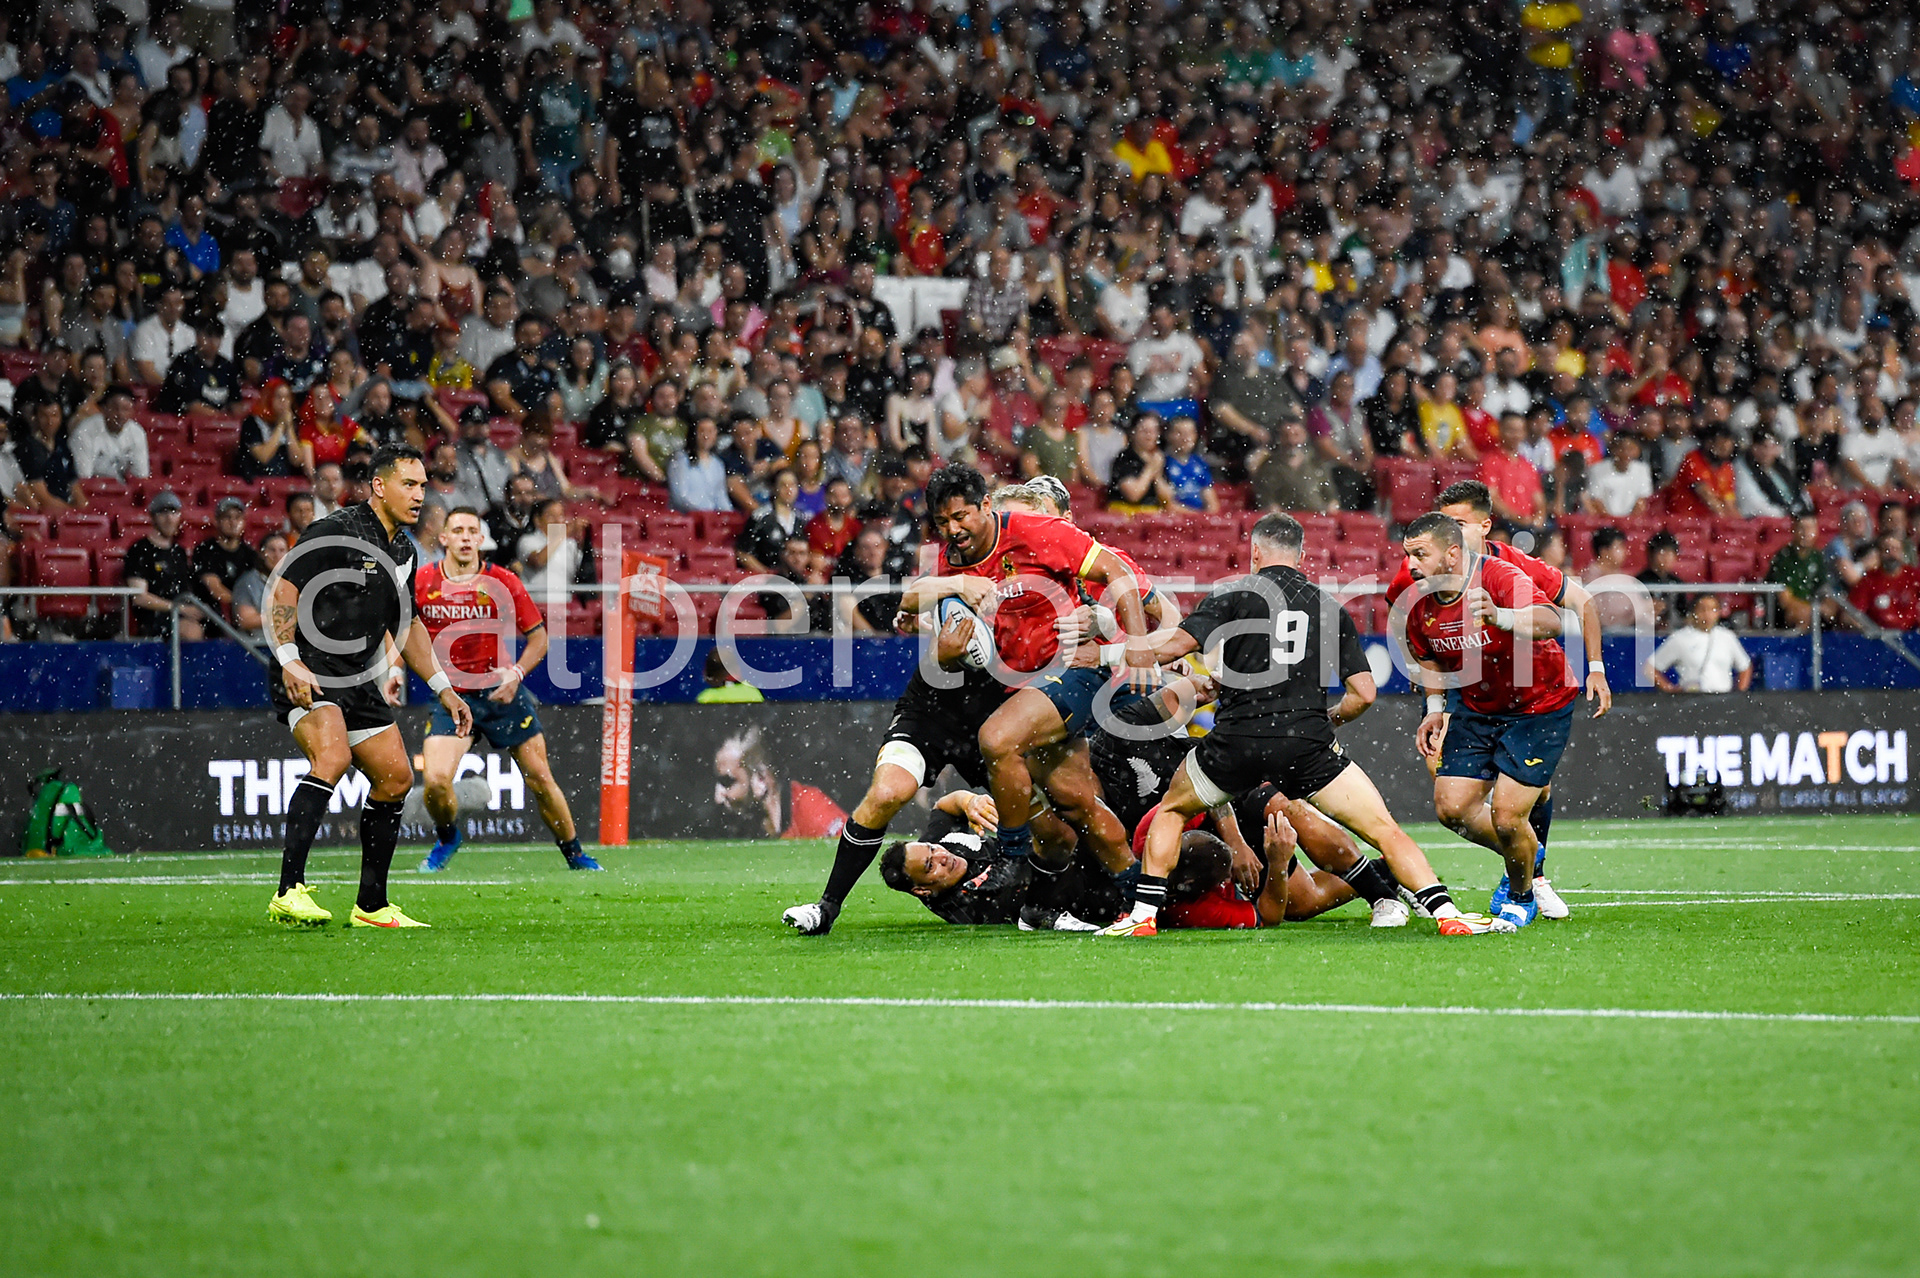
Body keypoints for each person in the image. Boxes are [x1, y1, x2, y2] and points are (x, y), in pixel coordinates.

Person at [1099, 513, 1481, 937]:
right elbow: (1364, 693)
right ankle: (1448, 914)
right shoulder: (1328, 605)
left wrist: (1114, 653)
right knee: (1385, 830)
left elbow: (1176, 645)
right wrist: (1327, 719)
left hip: (1237, 741)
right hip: (1305, 742)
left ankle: (1142, 916)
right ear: (1300, 557)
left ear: (1255, 553)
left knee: (1172, 810)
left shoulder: (1232, 593)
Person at [901, 464, 1149, 897]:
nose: (952, 529)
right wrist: (941, 601)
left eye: (960, 517)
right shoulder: (953, 559)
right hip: (1022, 687)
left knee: (996, 738)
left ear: (985, 505)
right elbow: (911, 599)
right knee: (1075, 802)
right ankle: (1140, 895)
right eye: (942, 522)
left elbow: (1117, 571)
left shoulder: (1038, 532)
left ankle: (1012, 859)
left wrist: (1141, 643)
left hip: (1075, 669)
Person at [262, 444, 474, 929]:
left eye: (423, 486)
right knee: (332, 758)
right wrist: (290, 660)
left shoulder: (404, 550)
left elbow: (408, 624)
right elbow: (284, 589)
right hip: (309, 666)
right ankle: (288, 892)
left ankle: (372, 906)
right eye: (409, 484)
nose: (419, 495)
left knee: (396, 778)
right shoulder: (335, 530)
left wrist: (443, 688)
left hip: (356, 677)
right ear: (379, 486)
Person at [1399, 513, 1579, 931]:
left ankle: (1521, 895)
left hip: (1538, 705)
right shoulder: (1417, 604)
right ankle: (1526, 853)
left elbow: (1552, 619)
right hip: (1478, 707)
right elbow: (1428, 656)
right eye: (1408, 555)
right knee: (1451, 808)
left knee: (1507, 816)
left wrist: (1502, 616)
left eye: (1420, 554)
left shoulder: (1498, 576)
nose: (1411, 564)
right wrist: (1434, 708)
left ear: (1452, 554)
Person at [414, 506, 600, 873]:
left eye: (472, 531)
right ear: (444, 538)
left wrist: (515, 674)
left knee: (541, 779)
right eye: (458, 530)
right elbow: (403, 630)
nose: (466, 537)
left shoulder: (503, 581)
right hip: (452, 696)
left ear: (480, 539)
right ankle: (448, 836)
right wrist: (393, 669)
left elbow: (539, 639)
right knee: (435, 782)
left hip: (502, 692)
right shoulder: (422, 581)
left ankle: (575, 854)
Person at [876, 788, 1120, 931]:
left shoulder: (932, 848)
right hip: (1087, 888)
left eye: (932, 848)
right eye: (930, 866)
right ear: (922, 891)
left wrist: (969, 802)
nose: (942, 856)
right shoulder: (969, 905)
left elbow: (943, 806)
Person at [715, 726, 849, 839]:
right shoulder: (739, 825)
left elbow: (853, 850)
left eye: (728, 781)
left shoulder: (810, 808)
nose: (718, 796)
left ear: (760, 780)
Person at [124, 490, 205, 641]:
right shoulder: (140, 550)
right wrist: (179, 608)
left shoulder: (179, 552)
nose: (169, 519)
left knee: (218, 625)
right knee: (192, 631)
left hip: (180, 612)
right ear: (153, 517)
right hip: (154, 617)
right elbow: (140, 598)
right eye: (163, 513)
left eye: (173, 512)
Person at [1646, 595, 1754, 692]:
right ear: (1694, 612)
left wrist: (1740, 694)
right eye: (1703, 609)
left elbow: (1745, 666)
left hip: (1723, 699)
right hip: (1692, 698)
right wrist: (1669, 689)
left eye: (1713, 609)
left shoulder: (1727, 637)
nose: (1707, 614)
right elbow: (1650, 668)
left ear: (1719, 612)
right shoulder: (1680, 638)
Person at [192, 497, 266, 626]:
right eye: (227, 517)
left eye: (238, 518)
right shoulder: (205, 551)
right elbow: (215, 590)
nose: (233, 522)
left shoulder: (250, 554)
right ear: (217, 521)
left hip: (243, 615)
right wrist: (243, 604)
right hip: (212, 616)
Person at [1765, 513, 1833, 631]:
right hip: (1783, 614)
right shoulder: (1783, 557)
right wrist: (1812, 609)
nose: (1806, 533)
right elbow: (1785, 600)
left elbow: (1824, 588)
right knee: (1803, 616)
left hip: (1811, 608)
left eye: (1810, 528)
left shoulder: (1817, 556)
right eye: (1802, 528)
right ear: (1794, 530)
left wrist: (1828, 608)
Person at [69, 384, 149, 481]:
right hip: (91, 486)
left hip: (120, 487)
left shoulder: (137, 432)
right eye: (115, 408)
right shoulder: (84, 432)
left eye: (126, 409)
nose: (120, 414)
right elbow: (83, 478)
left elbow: (141, 476)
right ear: (104, 408)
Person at [1849, 535, 1920, 632]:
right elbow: (1851, 615)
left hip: (1912, 634)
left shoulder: (1915, 576)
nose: (1891, 554)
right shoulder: (1868, 580)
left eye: (1895, 549)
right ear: (1879, 553)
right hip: (1879, 636)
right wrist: (1868, 630)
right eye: (1887, 550)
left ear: (1902, 552)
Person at [1584, 431, 1653, 518]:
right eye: (1622, 449)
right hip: (1603, 521)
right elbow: (1595, 500)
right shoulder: (1597, 469)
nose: (1626, 453)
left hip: (1631, 522)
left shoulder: (1643, 470)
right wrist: (1611, 522)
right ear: (1613, 449)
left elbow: (1642, 501)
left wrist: (1628, 522)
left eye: (1631, 449)